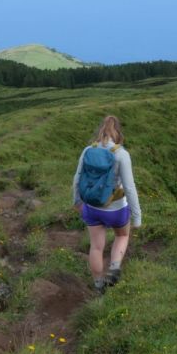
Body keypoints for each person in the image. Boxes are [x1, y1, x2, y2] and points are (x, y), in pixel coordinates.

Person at [72, 115, 141, 293]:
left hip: (92, 207)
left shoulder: (88, 150)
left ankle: (98, 286)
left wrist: (77, 201)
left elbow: (77, 178)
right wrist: (137, 216)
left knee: (96, 247)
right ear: (118, 132)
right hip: (116, 209)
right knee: (122, 236)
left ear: (101, 130)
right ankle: (114, 267)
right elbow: (129, 187)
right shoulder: (121, 154)